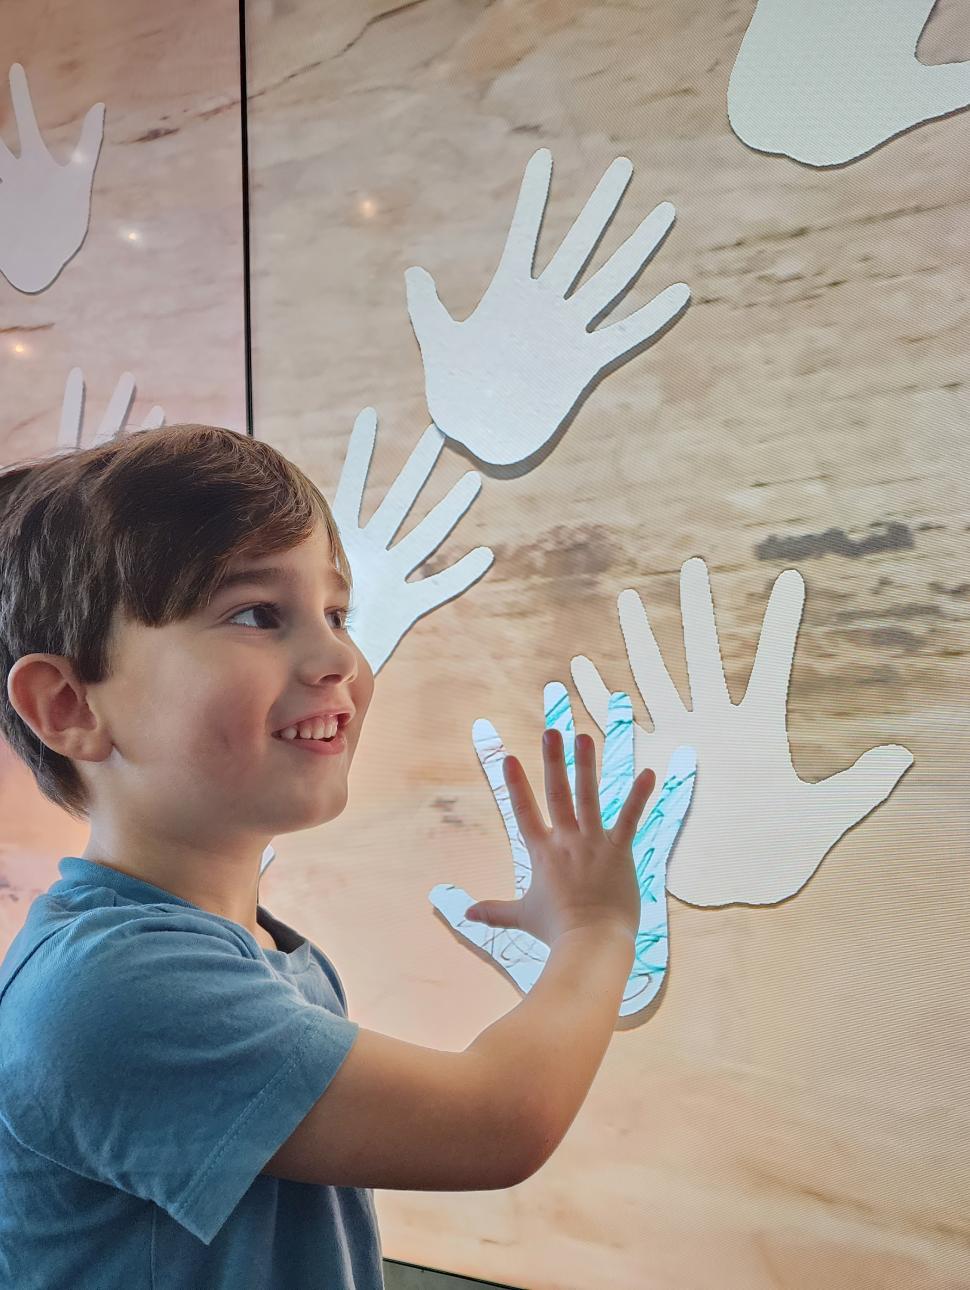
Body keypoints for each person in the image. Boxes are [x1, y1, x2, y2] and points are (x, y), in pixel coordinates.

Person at [0, 424, 655, 1289]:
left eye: (337, 614)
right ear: (69, 704)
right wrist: (598, 927)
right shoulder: (118, 989)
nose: (338, 657)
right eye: (257, 614)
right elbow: (498, 1122)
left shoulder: (261, 953)